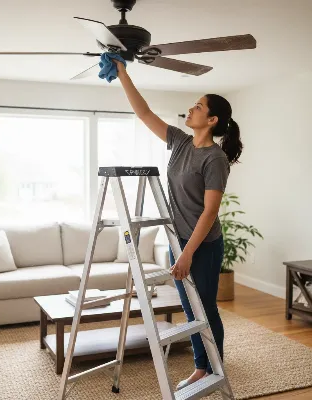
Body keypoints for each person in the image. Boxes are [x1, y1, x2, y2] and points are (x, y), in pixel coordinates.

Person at [113, 60, 243, 390]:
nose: (191, 108)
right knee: (189, 307)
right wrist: (123, 74)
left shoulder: (215, 159)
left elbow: (210, 213)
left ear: (212, 120)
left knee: (205, 307)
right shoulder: (182, 142)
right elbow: (144, 114)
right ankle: (203, 364)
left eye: (198, 106)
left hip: (203, 244)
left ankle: (214, 366)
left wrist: (186, 253)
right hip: (180, 240)